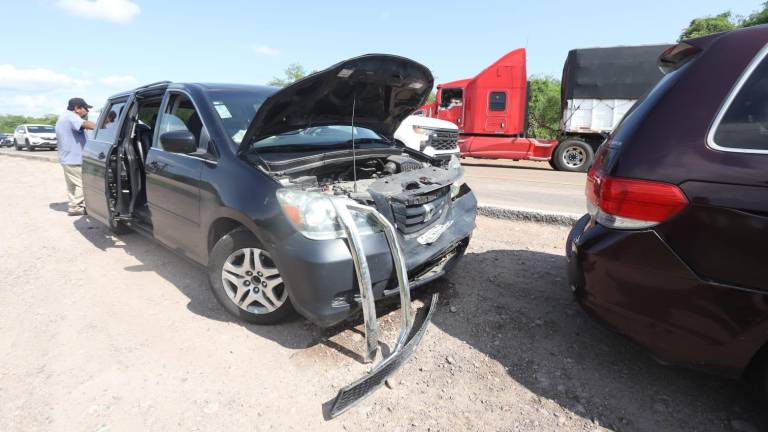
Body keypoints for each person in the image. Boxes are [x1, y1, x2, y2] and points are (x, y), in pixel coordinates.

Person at [55, 97, 95, 216]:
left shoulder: (63, 117)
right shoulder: (72, 117)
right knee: (82, 184)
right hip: (74, 159)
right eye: (86, 108)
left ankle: (74, 206)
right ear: (77, 108)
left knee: (72, 185)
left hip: (67, 158)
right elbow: (86, 124)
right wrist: (102, 126)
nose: (87, 111)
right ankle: (76, 207)